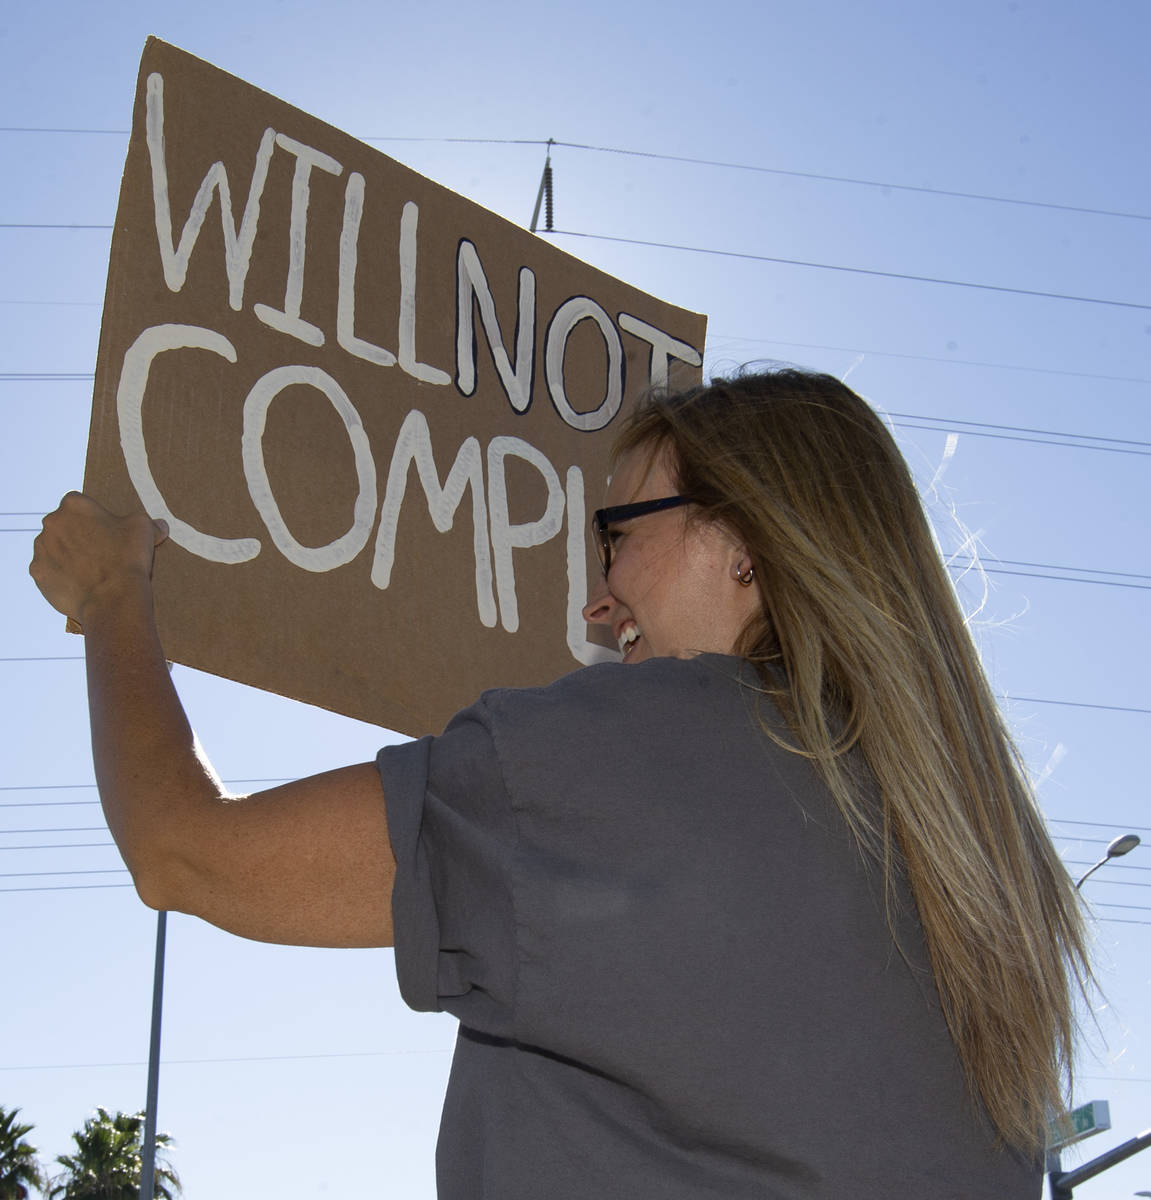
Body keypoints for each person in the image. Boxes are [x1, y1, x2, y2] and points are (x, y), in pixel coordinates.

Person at [30, 367, 1089, 1199]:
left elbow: (183, 849)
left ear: (745, 546)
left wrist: (114, 594)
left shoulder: (636, 757)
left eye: (615, 538)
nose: (593, 604)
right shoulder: (988, 871)